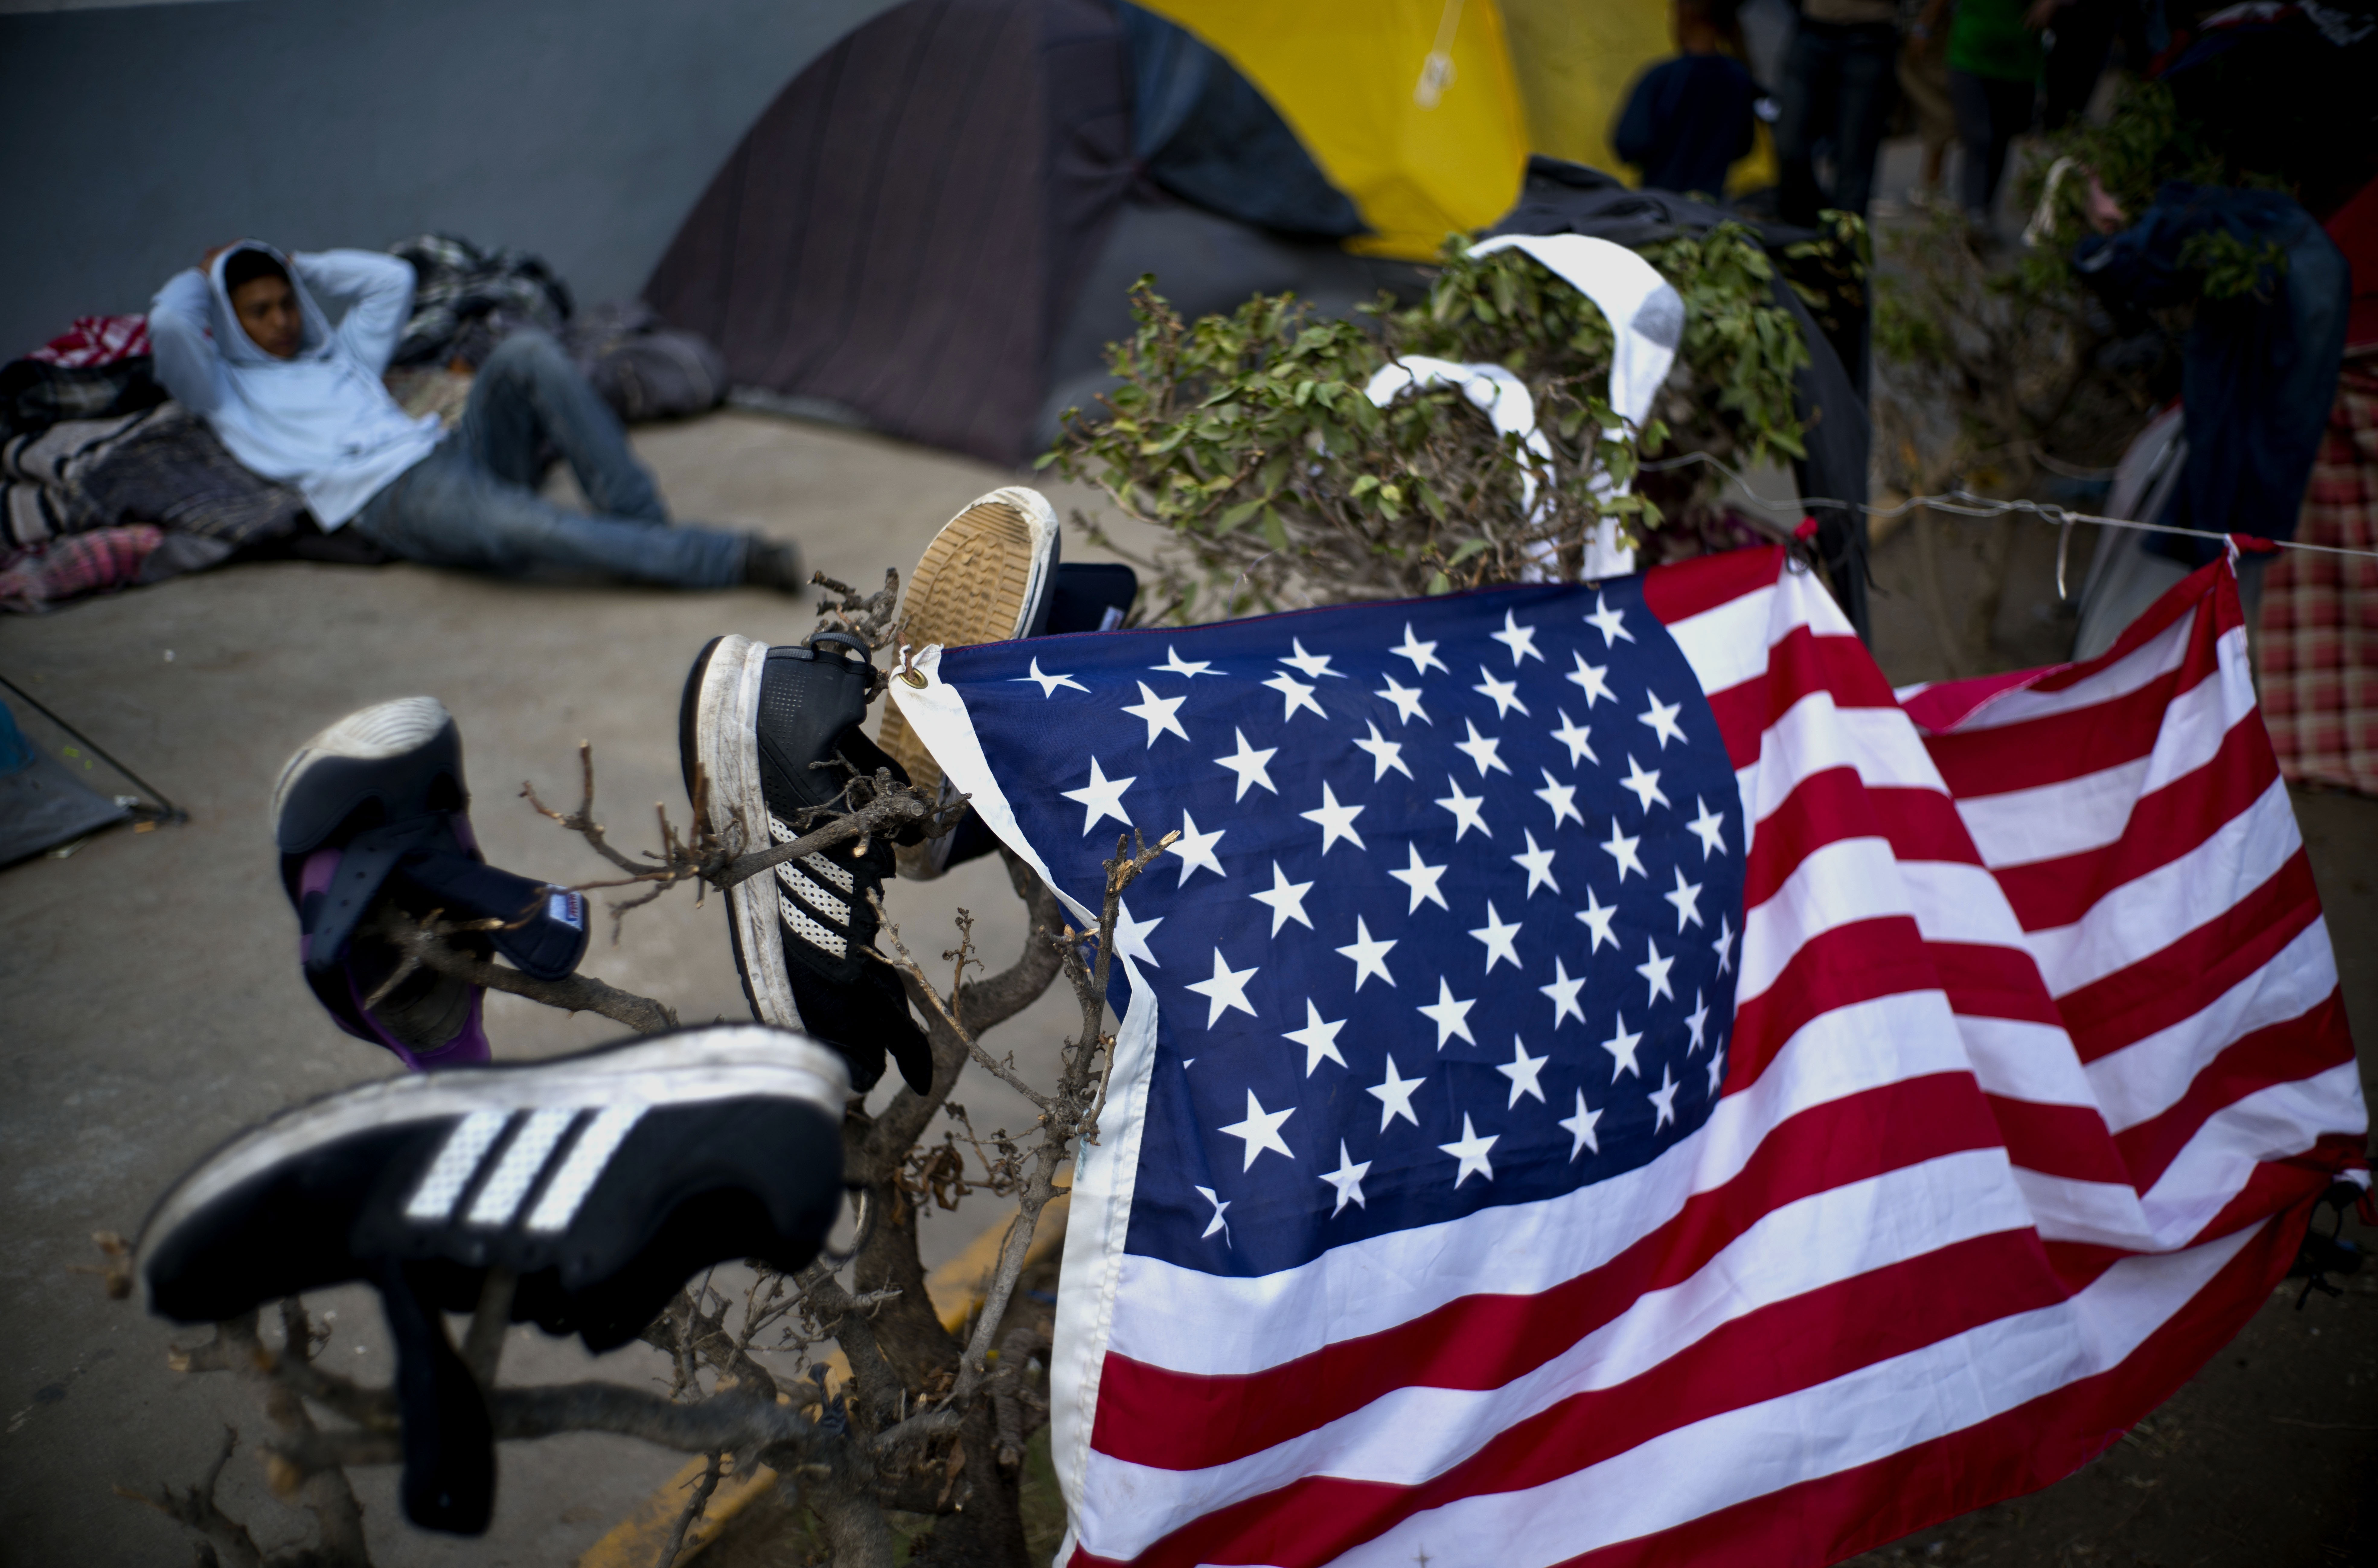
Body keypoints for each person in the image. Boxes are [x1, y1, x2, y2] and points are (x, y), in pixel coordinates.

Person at [148, 242, 804, 590]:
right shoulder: (225, 389)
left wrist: (301, 264)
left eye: (285, 303)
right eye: (258, 311)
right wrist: (204, 275)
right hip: (393, 497)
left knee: (525, 352)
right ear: (229, 319)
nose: (282, 321)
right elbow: (169, 323)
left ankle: (638, 524)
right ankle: (726, 558)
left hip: (453, 449)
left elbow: (391, 282)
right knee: (537, 528)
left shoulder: (339, 357)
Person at [1913, 0, 2043, 230]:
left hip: (2019, 57)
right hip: (1969, 53)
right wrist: (1924, 27)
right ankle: (1973, 214)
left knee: (2000, 139)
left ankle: (1983, 211)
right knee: (1979, 138)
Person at [1613, 0, 1759, 201]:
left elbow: (1631, 142)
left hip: (1660, 202)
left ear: (1685, 14)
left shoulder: (1664, 77)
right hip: (1709, 206)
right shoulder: (1739, 78)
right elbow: (1744, 146)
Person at [1773, 0, 1901, 226]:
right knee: (1788, 145)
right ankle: (1803, 237)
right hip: (1812, 30)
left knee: (1853, 161)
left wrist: (1922, 27)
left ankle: (1842, 252)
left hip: (1870, 37)